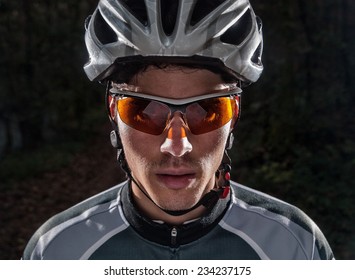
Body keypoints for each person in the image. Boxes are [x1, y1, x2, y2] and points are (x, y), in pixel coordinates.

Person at [22, 0, 334, 260]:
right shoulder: (55, 251)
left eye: (207, 111)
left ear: (234, 115)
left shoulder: (295, 244)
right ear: (113, 113)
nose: (177, 146)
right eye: (144, 111)